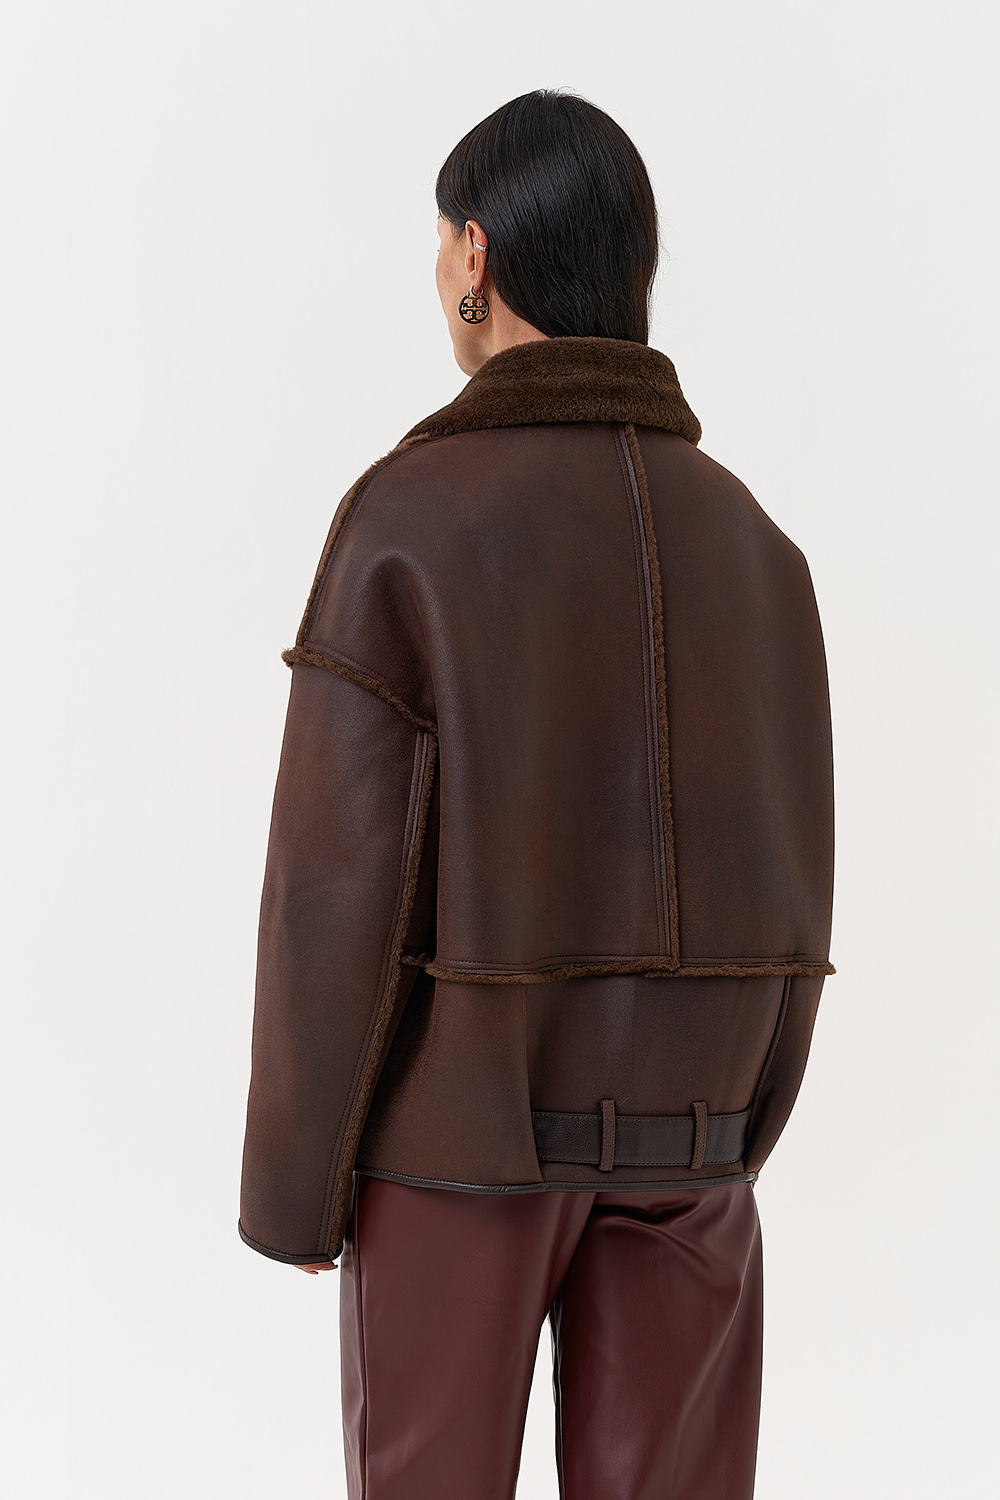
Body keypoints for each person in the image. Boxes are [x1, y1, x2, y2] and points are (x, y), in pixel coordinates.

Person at [239, 89, 834, 1500]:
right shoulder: (761, 549)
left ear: (475, 254)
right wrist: (736, 1130)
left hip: (460, 1149)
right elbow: (798, 884)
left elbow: (335, 889)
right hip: (696, 1147)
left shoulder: (410, 519)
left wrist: (297, 1190)